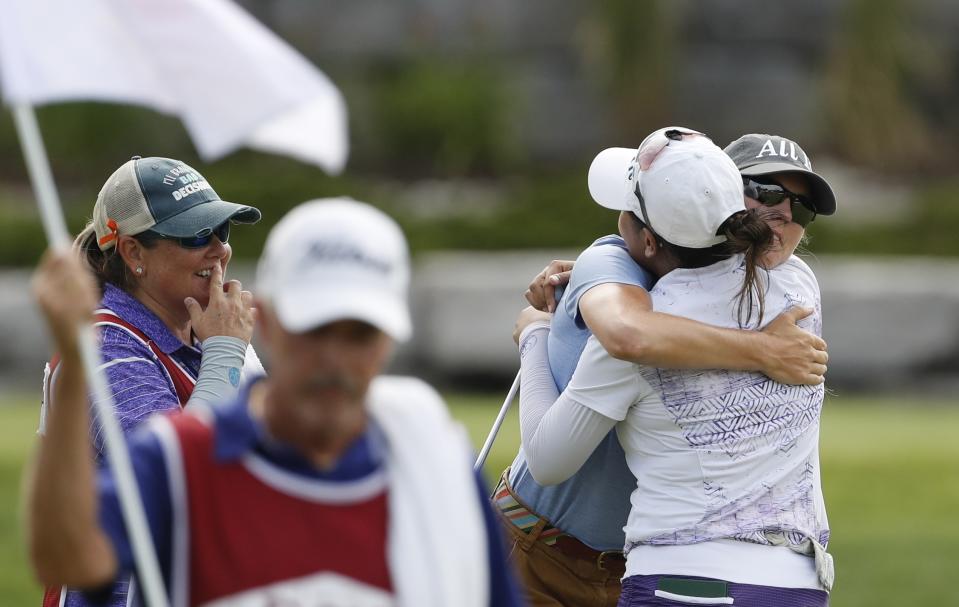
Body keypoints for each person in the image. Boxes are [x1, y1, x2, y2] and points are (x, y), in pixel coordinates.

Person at [27, 198, 524, 606]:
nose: (334, 359)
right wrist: (74, 365)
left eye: (360, 334)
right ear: (264, 322)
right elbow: (66, 556)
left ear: (392, 339)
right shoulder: (173, 453)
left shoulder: (433, 451)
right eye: (314, 329)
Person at [496, 130, 835, 607]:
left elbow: (626, 339)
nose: (782, 215)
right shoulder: (799, 290)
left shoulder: (638, 315)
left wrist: (532, 332)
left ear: (650, 240)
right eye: (765, 193)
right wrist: (760, 348)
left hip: (664, 572)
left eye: (798, 208)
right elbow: (628, 321)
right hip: (789, 582)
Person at [37, 156, 264, 607]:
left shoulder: (208, 328)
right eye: (196, 234)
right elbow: (176, 486)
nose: (218, 249)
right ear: (132, 252)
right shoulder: (103, 346)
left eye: (223, 231)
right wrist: (226, 355)